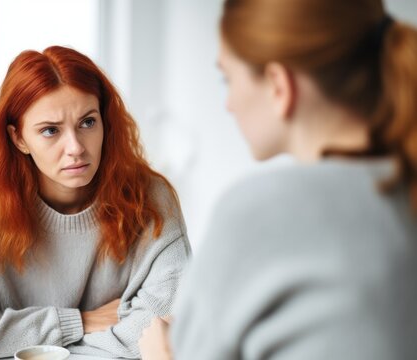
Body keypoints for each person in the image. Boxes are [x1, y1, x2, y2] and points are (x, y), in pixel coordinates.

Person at [139, 0, 417, 359]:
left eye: (228, 79)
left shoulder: (258, 211)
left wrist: (161, 355)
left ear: (278, 85)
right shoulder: (402, 190)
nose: (229, 103)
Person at [0, 45, 191, 359]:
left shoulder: (150, 197)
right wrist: (76, 323)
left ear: (105, 121)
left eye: (87, 122)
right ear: (18, 138)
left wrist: (32, 345)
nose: (75, 148)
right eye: (50, 131)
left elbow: (169, 320)